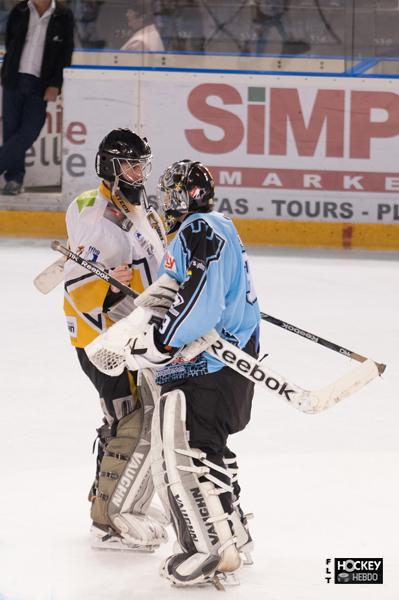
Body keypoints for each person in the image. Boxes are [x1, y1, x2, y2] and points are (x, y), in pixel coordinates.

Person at [107, 159, 261, 585]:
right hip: (230, 366)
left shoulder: (199, 229)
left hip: (208, 366)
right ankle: (234, 534)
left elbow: (201, 305)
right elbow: (191, 291)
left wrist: (159, 343)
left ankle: (210, 549)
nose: (168, 199)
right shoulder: (217, 227)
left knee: (184, 456)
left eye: (175, 191)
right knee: (211, 452)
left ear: (190, 194)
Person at [63, 128, 169, 551]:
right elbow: (74, 285)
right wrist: (107, 285)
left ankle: (129, 501)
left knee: (139, 416)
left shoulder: (142, 206)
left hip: (137, 328)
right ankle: (106, 518)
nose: (139, 171)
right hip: (101, 336)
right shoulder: (93, 212)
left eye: (142, 162)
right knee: (125, 419)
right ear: (109, 165)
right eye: (130, 163)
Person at [0, 0, 74, 195]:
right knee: (11, 131)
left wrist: (55, 84)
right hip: (14, 79)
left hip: (40, 84)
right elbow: (10, 42)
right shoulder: (20, 10)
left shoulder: (63, 16)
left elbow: (65, 53)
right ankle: (15, 180)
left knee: (30, 130)